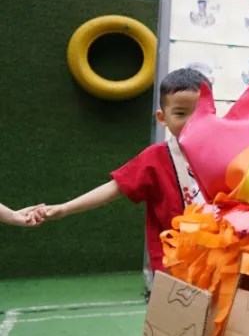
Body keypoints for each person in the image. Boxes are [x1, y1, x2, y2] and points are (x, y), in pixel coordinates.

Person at [32, 68, 209, 275]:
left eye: (201, 113)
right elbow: (114, 188)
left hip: (220, 259)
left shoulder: (224, 151)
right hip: (175, 265)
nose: (191, 122)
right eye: (180, 113)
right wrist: (64, 208)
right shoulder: (155, 158)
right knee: (179, 308)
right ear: (162, 117)